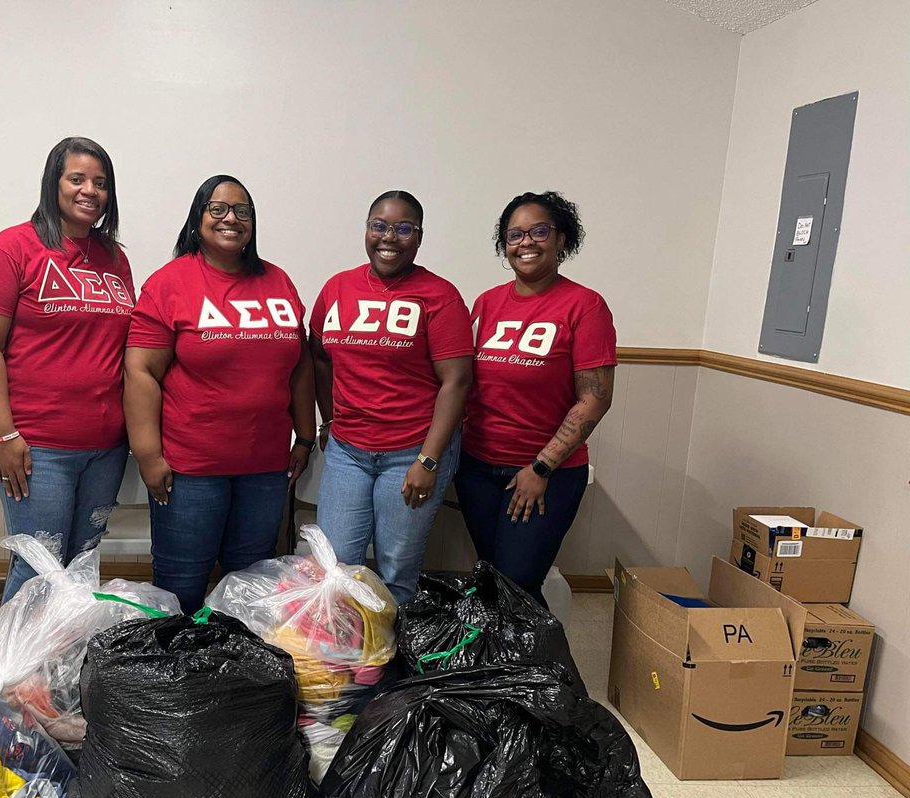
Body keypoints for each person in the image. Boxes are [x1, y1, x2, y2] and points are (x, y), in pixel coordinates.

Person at [124, 174, 316, 612]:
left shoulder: (279, 281)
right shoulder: (170, 283)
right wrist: (148, 455)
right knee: (182, 586)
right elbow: (140, 370)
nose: (231, 218)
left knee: (251, 587)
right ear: (198, 219)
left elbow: (300, 364)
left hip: (265, 469)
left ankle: (238, 677)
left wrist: (304, 436)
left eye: (242, 211)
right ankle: (177, 676)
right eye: (218, 209)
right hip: (192, 468)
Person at [0, 136, 135, 603]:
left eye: (100, 183)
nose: (89, 191)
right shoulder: (11, 248)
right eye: (76, 178)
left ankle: (60, 666)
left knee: (82, 561)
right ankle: (16, 672)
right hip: (38, 445)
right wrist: (3, 434)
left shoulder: (115, 259)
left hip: (106, 445)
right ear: (53, 183)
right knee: (40, 564)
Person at [454, 190, 616, 608]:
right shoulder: (486, 303)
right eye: (515, 234)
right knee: (493, 575)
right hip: (476, 468)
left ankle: (538, 671)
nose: (526, 243)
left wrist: (541, 467)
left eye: (539, 232)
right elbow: (463, 382)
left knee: (518, 581)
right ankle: (501, 669)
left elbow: (594, 399)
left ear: (562, 239)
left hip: (545, 473)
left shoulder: (585, 306)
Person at [310, 190, 473, 604]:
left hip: (412, 451)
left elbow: (456, 382)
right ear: (366, 230)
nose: (389, 237)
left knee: (395, 566)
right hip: (349, 450)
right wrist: (329, 420)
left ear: (419, 238)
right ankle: (345, 658)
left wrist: (429, 460)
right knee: (336, 564)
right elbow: (319, 358)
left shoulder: (440, 296)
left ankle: (386, 664)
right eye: (379, 226)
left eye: (404, 229)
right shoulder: (337, 288)